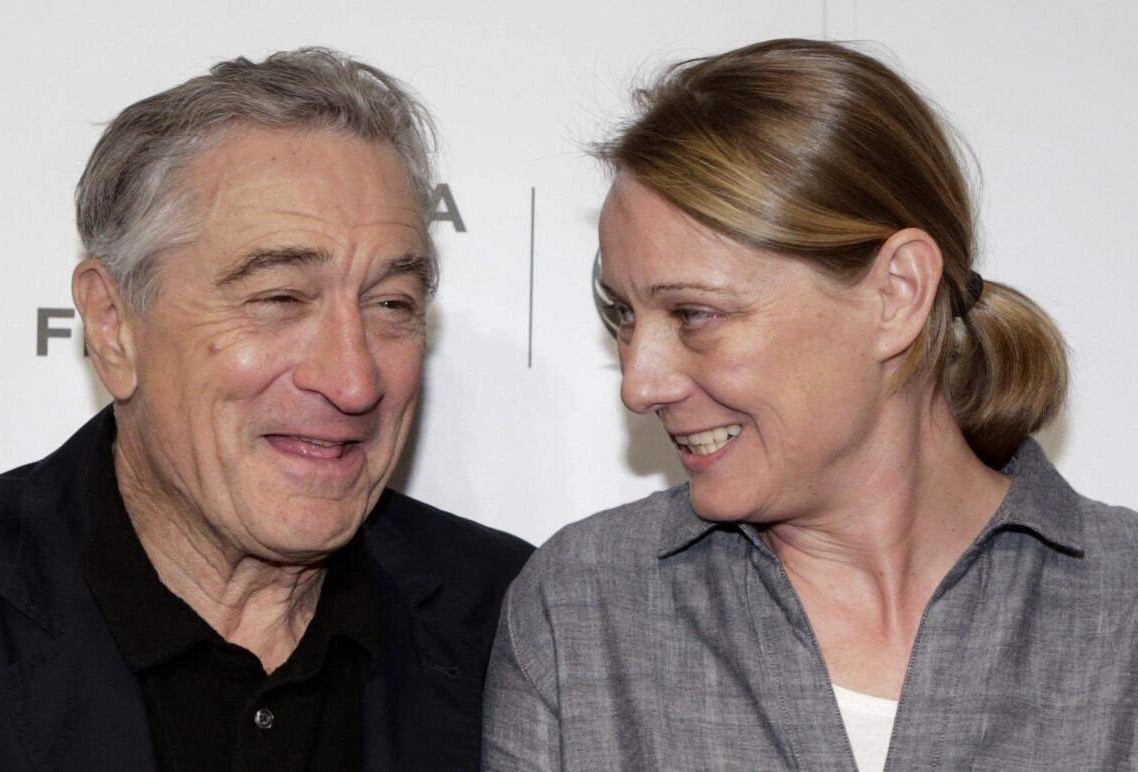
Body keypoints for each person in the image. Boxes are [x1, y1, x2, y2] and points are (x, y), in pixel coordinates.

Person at [483, 38, 1138, 771]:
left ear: (896, 295)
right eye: (623, 317)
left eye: (694, 314)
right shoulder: (584, 610)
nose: (640, 383)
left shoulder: (1125, 610)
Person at [0, 48, 531, 771]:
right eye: (279, 298)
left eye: (391, 304)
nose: (353, 381)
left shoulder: (517, 620)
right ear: (113, 327)